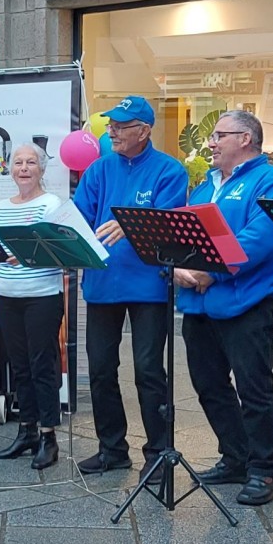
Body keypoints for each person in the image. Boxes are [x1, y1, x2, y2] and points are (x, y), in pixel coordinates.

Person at [72, 95, 188, 474]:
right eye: (111, 126)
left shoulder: (170, 171)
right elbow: (79, 220)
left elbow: (171, 229)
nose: (113, 132)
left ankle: (158, 454)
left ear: (145, 131)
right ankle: (112, 449)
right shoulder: (98, 170)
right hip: (102, 283)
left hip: (149, 287)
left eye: (121, 127)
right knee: (102, 369)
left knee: (148, 370)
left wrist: (132, 225)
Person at [181, 111, 273, 506]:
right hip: (198, 304)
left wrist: (210, 271)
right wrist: (178, 266)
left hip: (248, 302)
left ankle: (264, 471)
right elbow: (184, 233)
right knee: (208, 385)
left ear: (246, 138)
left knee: (254, 388)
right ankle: (235, 457)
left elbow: (258, 240)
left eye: (218, 135)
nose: (210, 143)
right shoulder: (202, 187)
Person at [0, 145, 65, 470]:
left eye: (31, 162)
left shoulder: (52, 204)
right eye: (18, 162)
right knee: (19, 366)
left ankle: (49, 437)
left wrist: (28, 255)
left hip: (42, 295)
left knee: (41, 365)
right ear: (10, 169)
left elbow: (59, 251)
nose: (23, 168)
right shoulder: (2, 206)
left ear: (42, 169)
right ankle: (27, 431)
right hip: (7, 293)